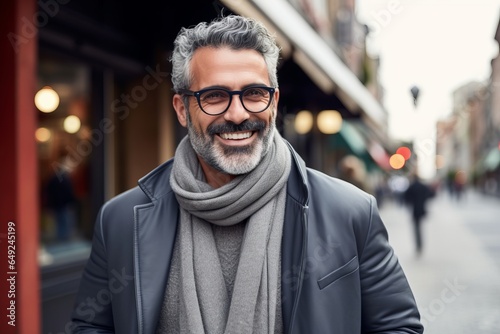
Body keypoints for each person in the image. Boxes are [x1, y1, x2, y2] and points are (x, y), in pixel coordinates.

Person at [71, 15, 423, 333]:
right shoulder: (119, 220)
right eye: (214, 96)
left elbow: (398, 328)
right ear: (182, 109)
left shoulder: (349, 212)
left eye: (254, 94)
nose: (238, 114)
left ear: (274, 101)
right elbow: (89, 326)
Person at [404, 174, 435, 255]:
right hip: (421, 209)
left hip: (415, 210)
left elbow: (406, 198)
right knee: (419, 228)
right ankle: (420, 245)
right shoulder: (423, 186)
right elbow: (431, 195)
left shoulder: (412, 187)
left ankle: (418, 245)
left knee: (416, 228)